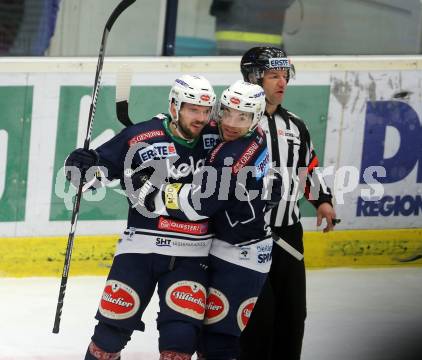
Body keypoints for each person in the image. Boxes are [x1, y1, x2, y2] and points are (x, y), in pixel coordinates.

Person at [65, 74, 220, 360]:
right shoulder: (140, 136)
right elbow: (93, 176)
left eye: (205, 110)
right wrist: (80, 166)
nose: (201, 117)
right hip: (139, 249)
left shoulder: (217, 137)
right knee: (106, 342)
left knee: (180, 344)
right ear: (175, 106)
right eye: (193, 109)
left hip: (192, 252)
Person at [141, 80, 277, 360]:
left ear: (257, 117)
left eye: (242, 117)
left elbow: (201, 204)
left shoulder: (233, 157)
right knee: (206, 339)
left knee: (219, 343)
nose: (230, 122)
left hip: (240, 256)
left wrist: (154, 194)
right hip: (231, 246)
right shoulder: (252, 134)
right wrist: (163, 124)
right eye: (226, 112)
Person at [238, 47, 337, 360]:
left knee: (293, 316)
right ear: (254, 78)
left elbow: (307, 169)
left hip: (289, 237)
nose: (282, 83)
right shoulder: (233, 123)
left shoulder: (296, 125)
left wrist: (322, 201)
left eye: (285, 76)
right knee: (258, 319)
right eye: (273, 76)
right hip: (249, 237)